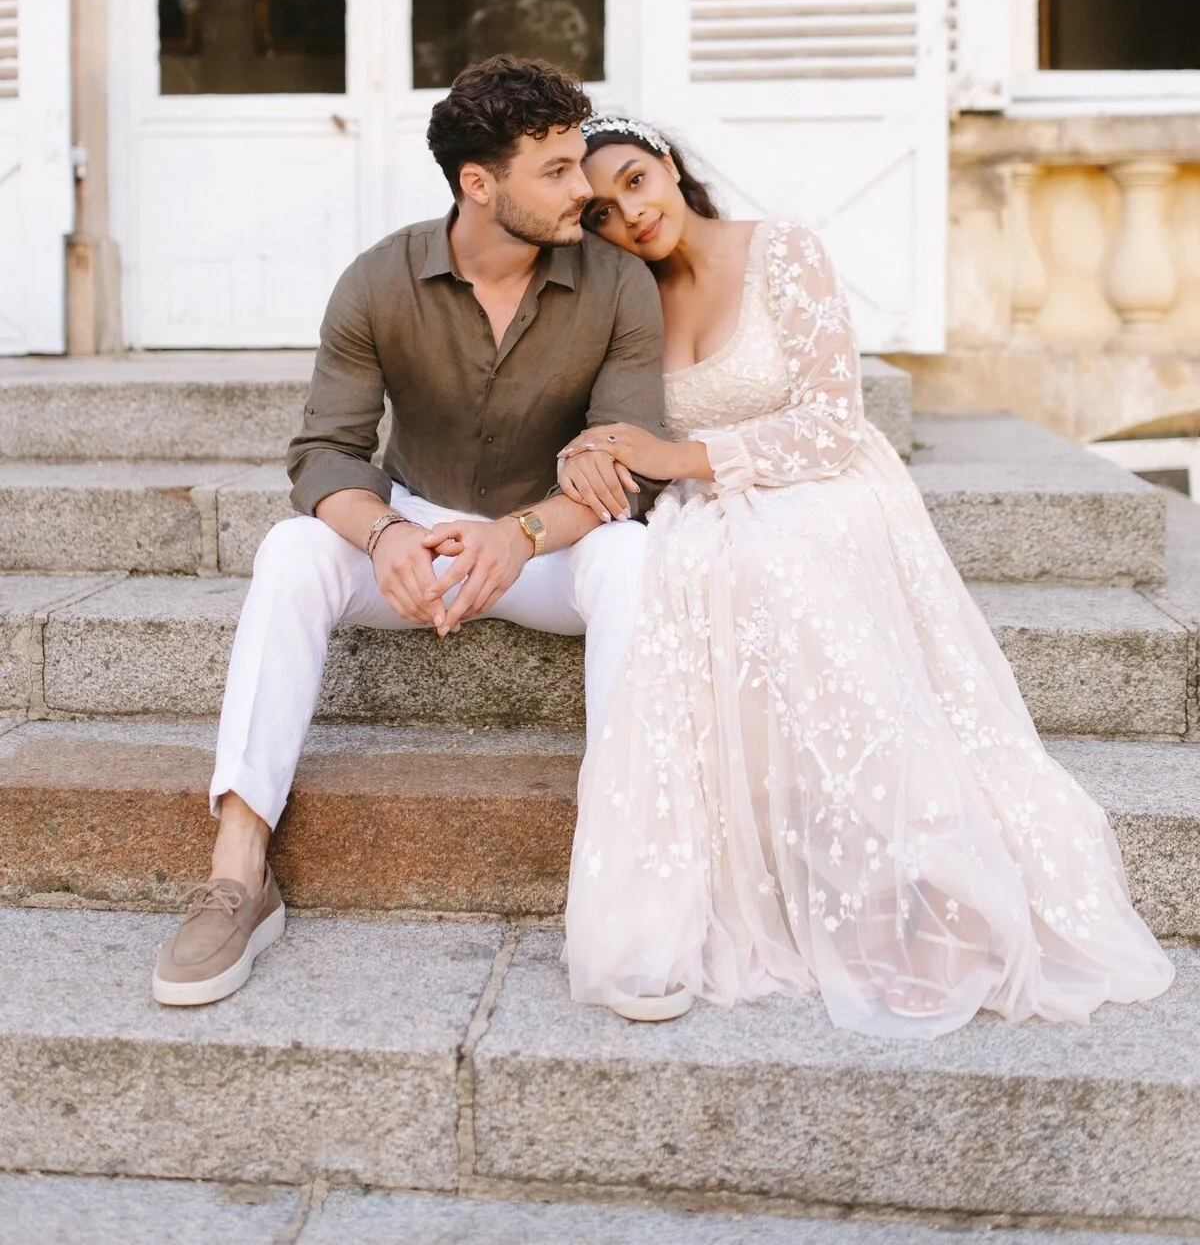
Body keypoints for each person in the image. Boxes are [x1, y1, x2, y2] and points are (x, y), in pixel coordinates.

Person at [559, 115, 1175, 1037]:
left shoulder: (782, 250)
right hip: (710, 502)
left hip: (824, 482)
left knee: (774, 560)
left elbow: (831, 423)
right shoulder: (631, 301)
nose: (630, 216)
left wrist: (682, 457)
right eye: (602, 212)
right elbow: (616, 426)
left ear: (671, 167)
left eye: (636, 182)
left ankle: (933, 871)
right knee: (688, 566)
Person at [152, 60, 669, 1008]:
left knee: (636, 559)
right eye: (554, 170)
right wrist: (386, 533)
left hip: (549, 543)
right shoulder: (378, 279)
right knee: (292, 548)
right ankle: (238, 874)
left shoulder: (619, 286)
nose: (584, 187)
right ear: (480, 184)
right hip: (417, 535)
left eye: (578, 162)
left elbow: (626, 475)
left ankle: (629, 895)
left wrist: (521, 533)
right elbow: (324, 455)